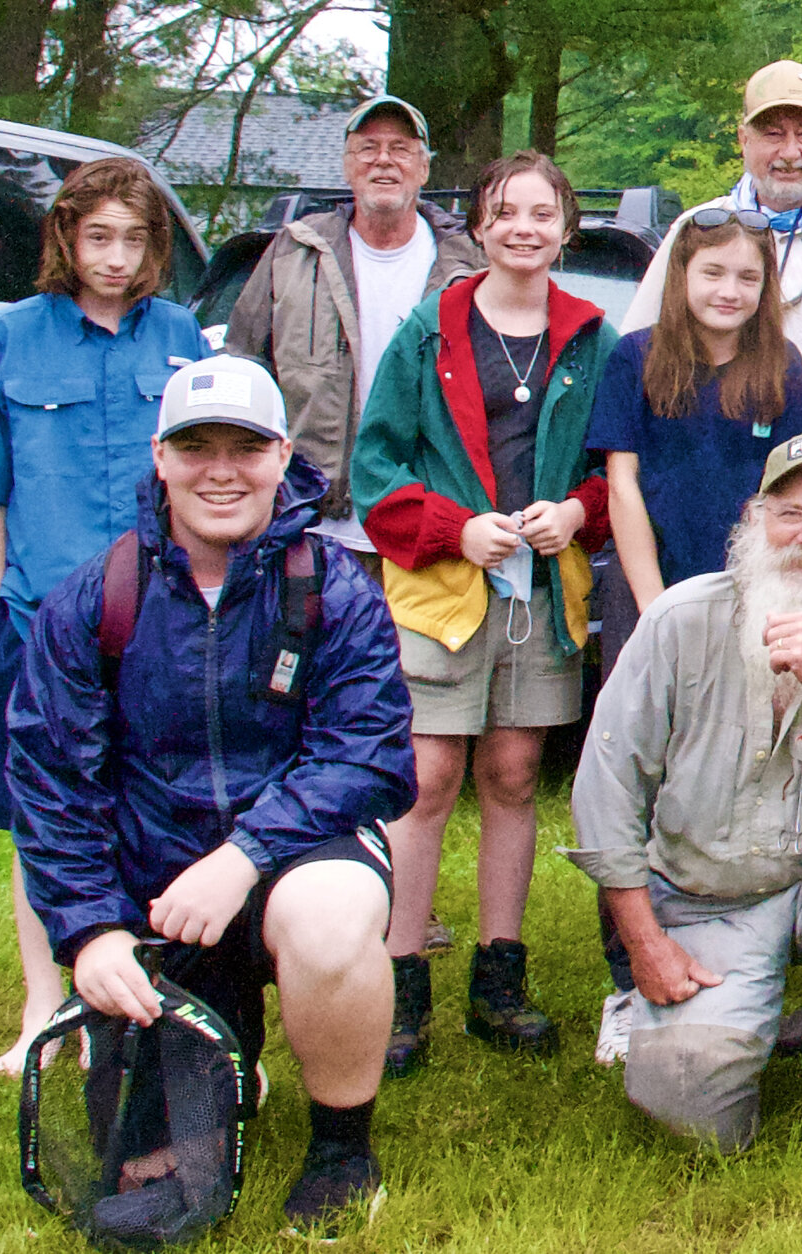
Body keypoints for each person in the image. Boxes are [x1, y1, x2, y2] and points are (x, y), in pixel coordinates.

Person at [6, 357, 415, 1237]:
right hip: (155, 883)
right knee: (146, 1182)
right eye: (197, 447)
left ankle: (343, 1145)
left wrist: (243, 858)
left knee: (329, 921)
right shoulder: (90, 599)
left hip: (295, 859)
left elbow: (370, 758)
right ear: (159, 457)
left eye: (246, 447)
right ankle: (227, 1055)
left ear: (281, 458)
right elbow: (51, 786)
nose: (221, 470)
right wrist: (93, 931)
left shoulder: (337, 587)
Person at [569, 434, 802, 1168]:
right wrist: (645, 945)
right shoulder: (679, 621)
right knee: (695, 1112)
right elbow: (605, 788)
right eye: (791, 514)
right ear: (753, 520)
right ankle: (757, 1013)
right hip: (703, 899)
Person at [352, 151, 619, 1073]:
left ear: (566, 228)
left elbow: (620, 466)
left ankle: (499, 980)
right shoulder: (429, 330)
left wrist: (581, 511)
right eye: (506, 212)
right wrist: (453, 530)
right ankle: (397, 979)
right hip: (445, 589)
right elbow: (374, 472)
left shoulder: (592, 338)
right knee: (427, 778)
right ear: (479, 225)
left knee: (511, 771)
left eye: (543, 214)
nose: (525, 229)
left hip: (543, 595)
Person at [0, 156, 206, 1077]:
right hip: (36, 618)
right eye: (98, 236)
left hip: (154, 617)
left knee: (149, 806)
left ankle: (144, 998)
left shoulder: (180, 335)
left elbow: (210, 478)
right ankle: (42, 1008)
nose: (115, 257)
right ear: (66, 236)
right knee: (43, 814)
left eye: (134, 240)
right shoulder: (11, 339)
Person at [583, 206, 802, 1063]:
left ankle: (746, 938)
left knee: (736, 767)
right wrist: (653, 614)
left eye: (747, 278)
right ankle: (625, 975)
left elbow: (789, 500)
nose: (729, 291)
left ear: (766, 291)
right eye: (713, 273)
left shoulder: (781, 368)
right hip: (648, 599)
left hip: (750, 605)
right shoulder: (637, 359)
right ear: (682, 278)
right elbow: (623, 488)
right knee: (636, 780)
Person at [223, 93, 483, 558]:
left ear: (424, 168)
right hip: (311, 529)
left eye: (401, 148)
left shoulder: (470, 267)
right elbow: (243, 375)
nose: (384, 160)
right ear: (347, 165)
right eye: (368, 147)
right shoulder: (293, 252)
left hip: (432, 533)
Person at [622, 59, 802, 405]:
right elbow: (635, 356)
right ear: (743, 140)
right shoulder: (691, 231)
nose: (790, 152)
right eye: (773, 134)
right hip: (707, 447)